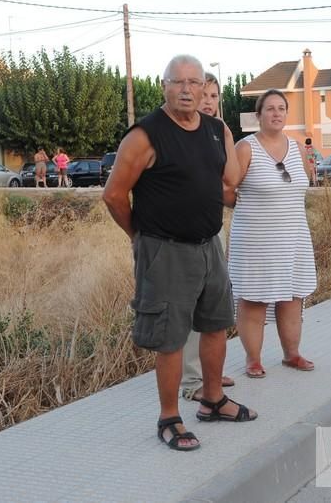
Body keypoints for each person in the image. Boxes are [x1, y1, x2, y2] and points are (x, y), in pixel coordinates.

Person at [103, 54, 255, 452]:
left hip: (209, 245)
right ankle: (169, 417)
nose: (187, 90)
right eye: (178, 82)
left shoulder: (212, 129)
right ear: (164, 86)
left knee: (216, 324)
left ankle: (212, 399)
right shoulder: (145, 136)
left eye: (195, 82)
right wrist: (139, 236)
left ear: (206, 87)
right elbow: (114, 195)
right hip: (165, 249)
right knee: (170, 338)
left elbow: (225, 183)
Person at [228, 89, 317, 378]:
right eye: (270, 109)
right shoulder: (245, 148)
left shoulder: (297, 148)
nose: (276, 113)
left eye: (281, 108)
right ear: (259, 115)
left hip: (293, 237)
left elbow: (302, 185)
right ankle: (253, 359)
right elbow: (227, 189)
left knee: (292, 297)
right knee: (254, 299)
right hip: (256, 240)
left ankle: (292, 354)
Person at [179, 70, 235, 402]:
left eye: (215, 96)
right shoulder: (182, 133)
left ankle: (210, 373)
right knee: (188, 307)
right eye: (205, 95)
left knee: (213, 304)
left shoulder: (216, 134)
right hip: (183, 235)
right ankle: (191, 382)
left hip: (213, 228)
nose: (209, 102)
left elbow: (230, 183)